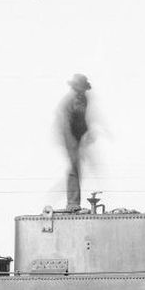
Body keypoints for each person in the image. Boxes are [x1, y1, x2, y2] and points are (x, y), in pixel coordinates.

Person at [57, 74, 92, 210]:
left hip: (78, 134)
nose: (79, 92)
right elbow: (65, 124)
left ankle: (74, 201)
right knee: (74, 166)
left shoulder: (84, 99)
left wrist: (87, 133)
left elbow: (83, 118)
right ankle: (72, 203)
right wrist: (71, 142)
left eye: (81, 89)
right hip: (68, 133)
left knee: (78, 166)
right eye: (77, 89)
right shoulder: (68, 101)